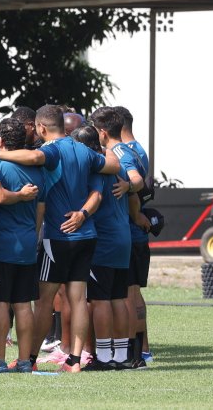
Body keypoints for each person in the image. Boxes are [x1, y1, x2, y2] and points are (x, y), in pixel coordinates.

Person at [0, 104, 119, 373]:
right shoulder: (85, 150)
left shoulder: (51, 150)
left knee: (43, 302)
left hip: (58, 235)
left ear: (41, 128)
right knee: (78, 297)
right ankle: (74, 361)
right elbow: (113, 165)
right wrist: (85, 213)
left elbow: (35, 158)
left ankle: (30, 358)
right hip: (86, 234)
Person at [0, 118, 44, 373]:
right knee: (23, 304)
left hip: (1, 244)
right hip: (28, 243)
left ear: (0, 141)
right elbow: (41, 207)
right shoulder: (38, 169)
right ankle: (23, 361)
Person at [83, 109, 136, 371]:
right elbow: (136, 183)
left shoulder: (102, 163)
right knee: (118, 297)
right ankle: (122, 355)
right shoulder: (120, 161)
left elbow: (96, 198)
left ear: (102, 132)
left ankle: (104, 358)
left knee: (100, 299)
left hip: (103, 239)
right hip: (122, 237)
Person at [114, 105, 152, 368]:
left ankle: (130, 352)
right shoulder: (140, 150)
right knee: (135, 293)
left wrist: (134, 211)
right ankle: (143, 350)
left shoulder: (123, 153)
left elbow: (135, 186)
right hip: (137, 232)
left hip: (127, 230)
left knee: (127, 293)